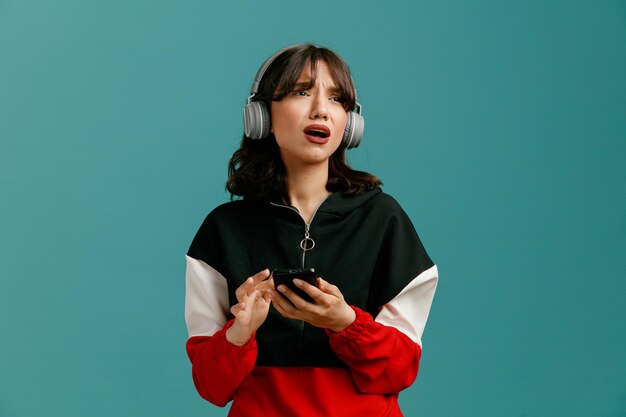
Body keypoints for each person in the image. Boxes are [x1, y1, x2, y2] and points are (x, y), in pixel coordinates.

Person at [185, 43, 438, 417]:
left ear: (350, 124)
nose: (321, 109)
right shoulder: (223, 229)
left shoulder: (384, 219)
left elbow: (399, 370)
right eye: (301, 92)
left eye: (337, 99)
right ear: (261, 115)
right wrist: (240, 332)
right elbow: (211, 385)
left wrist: (345, 323)